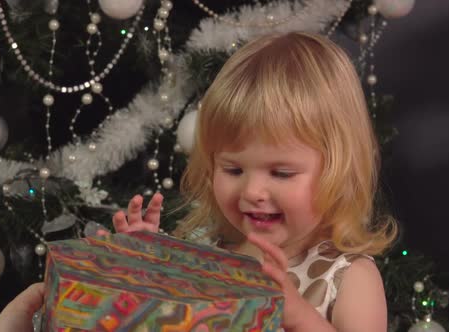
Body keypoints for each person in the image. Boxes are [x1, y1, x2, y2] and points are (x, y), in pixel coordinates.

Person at [111, 31, 397, 331]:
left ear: (338, 170)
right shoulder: (215, 257)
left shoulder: (349, 277)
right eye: (233, 170)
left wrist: (300, 318)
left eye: (281, 173)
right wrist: (148, 271)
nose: (252, 192)